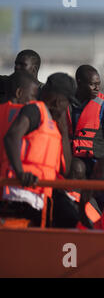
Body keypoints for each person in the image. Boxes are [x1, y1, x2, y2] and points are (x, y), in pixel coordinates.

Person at [1, 73, 76, 226]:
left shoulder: (54, 124)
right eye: (67, 102)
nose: (67, 107)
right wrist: (20, 172)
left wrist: (63, 132)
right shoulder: (34, 110)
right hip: (21, 193)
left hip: (41, 196)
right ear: (58, 101)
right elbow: (11, 137)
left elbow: (66, 170)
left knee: (71, 216)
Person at [0, 71, 39, 178]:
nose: (34, 101)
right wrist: (20, 173)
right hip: (12, 181)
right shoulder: (27, 117)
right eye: (32, 96)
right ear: (19, 93)